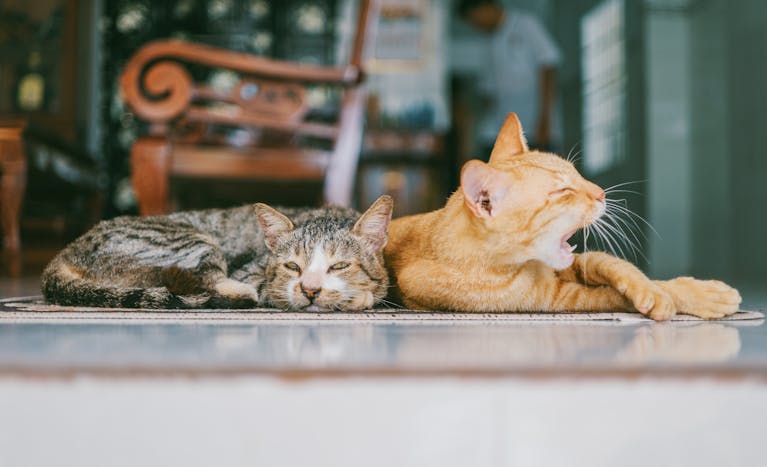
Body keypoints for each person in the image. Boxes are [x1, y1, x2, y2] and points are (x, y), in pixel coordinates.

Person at [458, 0, 562, 153]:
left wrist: (545, 119)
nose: (477, 26)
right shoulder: (489, 43)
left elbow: (548, 66)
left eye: (476, 20)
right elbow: (488, 91)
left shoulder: (526, 25)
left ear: (486, 7)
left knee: (536, 173)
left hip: (536, 125)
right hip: (503, 129)